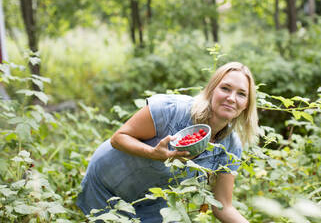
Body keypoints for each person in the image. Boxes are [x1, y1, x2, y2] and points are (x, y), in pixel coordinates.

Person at [76, 61, 259, 222]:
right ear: (212, 90)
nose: (231, 98)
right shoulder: (172, 110)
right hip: (107, 185)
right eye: (225, 88)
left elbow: (224, 207)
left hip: (152, 203)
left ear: (246, 105)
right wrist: (153, 154)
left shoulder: (230, 147)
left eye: (241, 94)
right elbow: (118, 138)